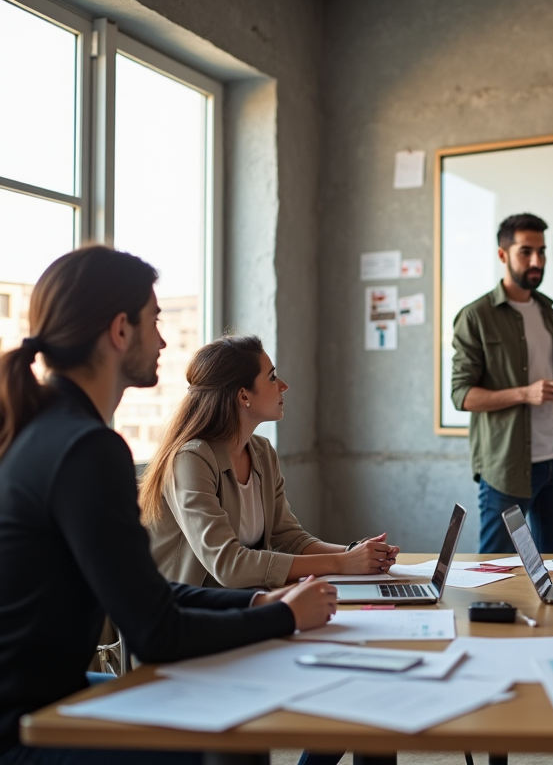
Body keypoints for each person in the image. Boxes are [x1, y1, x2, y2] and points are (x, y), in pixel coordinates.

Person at [0, 246, 338, 765]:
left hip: (47, 694)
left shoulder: (51, 430)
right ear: (119, 331)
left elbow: (147, 594)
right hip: (27, 726)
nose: (162, 340)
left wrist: (255, 605)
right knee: (229, 736)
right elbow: (155, 632)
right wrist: (282, 618)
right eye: (154, 321)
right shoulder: (88, 449)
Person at [142, 335, 398, 589]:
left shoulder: (262, 452)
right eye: (272, 377)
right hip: (185, 617)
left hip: (241, 604)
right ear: (244, 396)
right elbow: (229, 565)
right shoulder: (191, 459)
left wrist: (356, 554)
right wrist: (341, 563)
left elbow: (287, 538)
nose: (283, 385)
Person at [451, 213, 553, 554]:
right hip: (507, 465)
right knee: (497, 566)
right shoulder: (475, 316)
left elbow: (543, 376)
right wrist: (526, 393)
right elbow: (461, 395)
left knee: (552, 563)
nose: (537, 261)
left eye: (542, 251)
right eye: (526, 251)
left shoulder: (548, 312)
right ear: (502, 255)